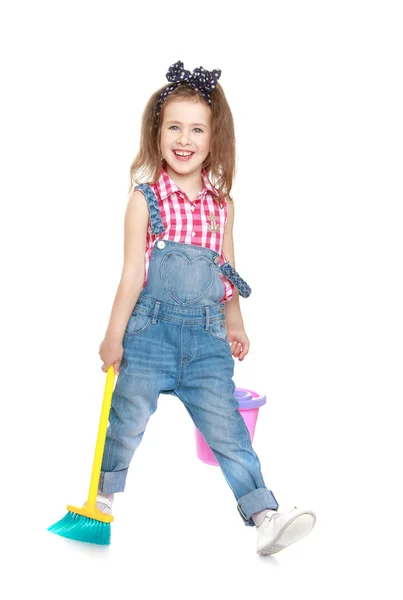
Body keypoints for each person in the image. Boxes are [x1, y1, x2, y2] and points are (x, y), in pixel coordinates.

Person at [96, 61, 316, 555]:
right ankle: (102, 498)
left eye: (197, 129)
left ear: (214, 140)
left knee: (228, 427)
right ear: (157, 133)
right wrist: (114, 336)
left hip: (206, 339)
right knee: (126, 415)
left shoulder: (221, 203)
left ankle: (264, 515)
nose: (184, 139)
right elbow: (133, 273)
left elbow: (226, 267)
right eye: (174, 126)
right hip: (148, 336)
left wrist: (235, 321)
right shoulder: (145, 199)